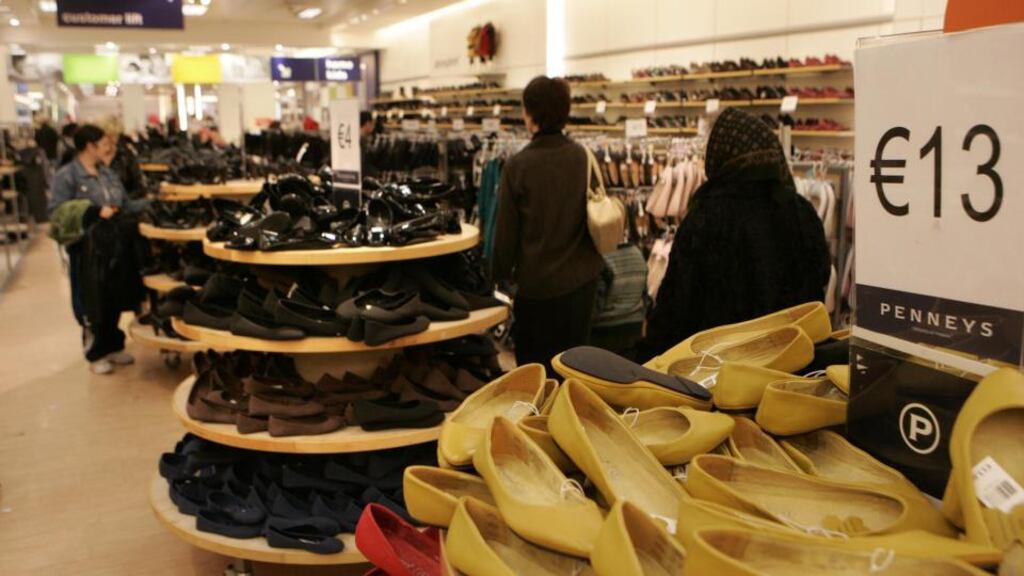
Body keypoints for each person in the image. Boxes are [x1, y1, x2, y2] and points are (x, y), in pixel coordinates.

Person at [639, 108, 831, 361]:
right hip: (791, 360)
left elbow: (678, 302)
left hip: (719, 369)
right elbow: (820, 277)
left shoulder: (707, 215)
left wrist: (653, 356)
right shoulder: (800, 211)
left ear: (718, 156)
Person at [492, 76, 604, 373]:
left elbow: (505, 235)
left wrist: (496, 278)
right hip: (582, 284)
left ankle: (538, 420)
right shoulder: (583, 156)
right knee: (575, 370)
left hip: (537, 288)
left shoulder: (518, 166)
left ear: (529, 114)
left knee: (536, 373)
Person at [49, 124, 150, 375]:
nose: (109, 147)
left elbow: (126, 204)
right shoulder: (67, 176)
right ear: (89, 146)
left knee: (113, 296)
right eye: (104, 143)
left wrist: (155, 199)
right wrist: (91, 211)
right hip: (87, 248)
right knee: (91, 300)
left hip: (114, 243)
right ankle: (95, 352)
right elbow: (55, 212)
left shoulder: (107, 173)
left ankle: (114, 346)